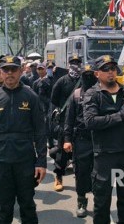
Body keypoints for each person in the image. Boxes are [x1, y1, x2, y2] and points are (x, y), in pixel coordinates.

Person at [0, 55, 47, 224]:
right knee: (4, 208)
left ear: (21, 71)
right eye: (5, 70)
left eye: (13, 69)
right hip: (0, 161)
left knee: (27, 205)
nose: (9, 73)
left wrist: (41, 162)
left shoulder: (31, 97)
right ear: (0, 72)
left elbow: (40, 131)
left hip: (25, 161)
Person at [83, 55, 124, 224]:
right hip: (105, 156)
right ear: (97, 74)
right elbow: (90, 122)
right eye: (105, 69)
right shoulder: (92, 94)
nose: (110, 72)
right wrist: (119, 116)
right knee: (102, 203)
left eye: (112, 68)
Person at [63, 63, 97, 218]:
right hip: (81, 140)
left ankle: (100, 202)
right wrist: (67, 139)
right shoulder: (76, 95)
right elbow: (69, 120)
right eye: (85, 75)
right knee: (81, 173)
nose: (88, 77)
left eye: (91, 74)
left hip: (99, 140)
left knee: (99, 174)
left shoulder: (102, 92)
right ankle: (81, 201)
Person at [50, 55, 82, 191]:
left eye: (77, 62)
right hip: (65, 121)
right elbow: (54, 99)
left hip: (80, 120)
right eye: (73, 63)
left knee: (81, 150)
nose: (75, 65)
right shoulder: (62, 81)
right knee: (62, 151)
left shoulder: (84, 81)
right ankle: (58, 177)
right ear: (69, 64)